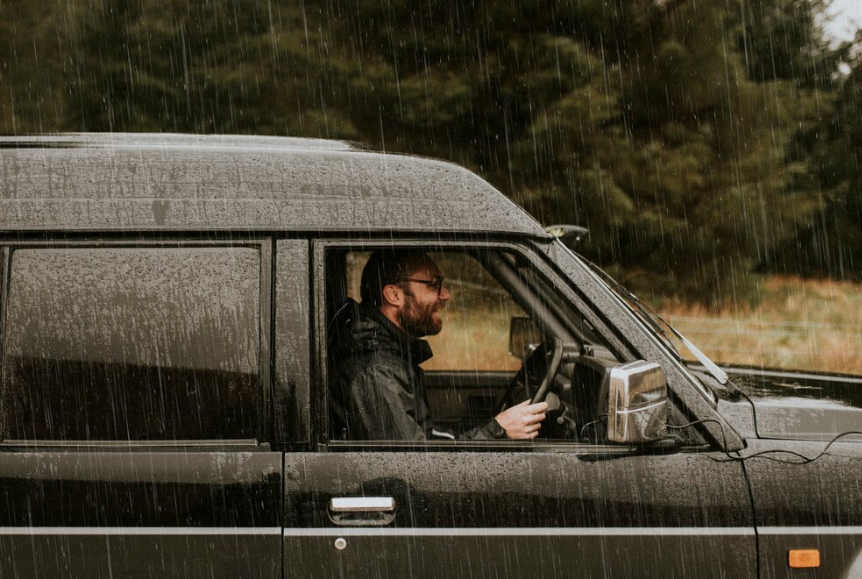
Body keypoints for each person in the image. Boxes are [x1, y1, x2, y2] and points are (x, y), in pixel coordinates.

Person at [329, 248, 548, 441]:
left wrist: (494, 429)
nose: (445, 295)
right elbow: (414, 470)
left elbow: (425, 440)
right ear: (394, 295)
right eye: (434, 284)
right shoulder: (377, 372)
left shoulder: (388, 356)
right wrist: (498, 430)